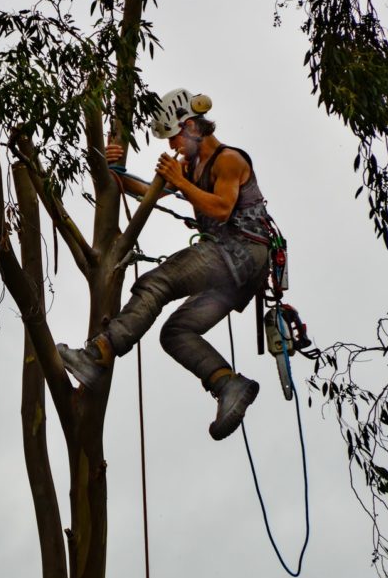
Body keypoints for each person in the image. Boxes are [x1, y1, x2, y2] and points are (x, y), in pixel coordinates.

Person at [57, 88, 272, 440]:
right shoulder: (191, 168)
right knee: (175, 333)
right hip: (234, 271)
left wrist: (180, 180)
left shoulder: (229, 160)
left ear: (190, 126)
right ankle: (227, 383)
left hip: (242, 251)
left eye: (174, 137)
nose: (173, 146)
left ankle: (98, 354)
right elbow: (150, 190)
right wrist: (113, 170)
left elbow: (220, 208)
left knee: (157, 282)